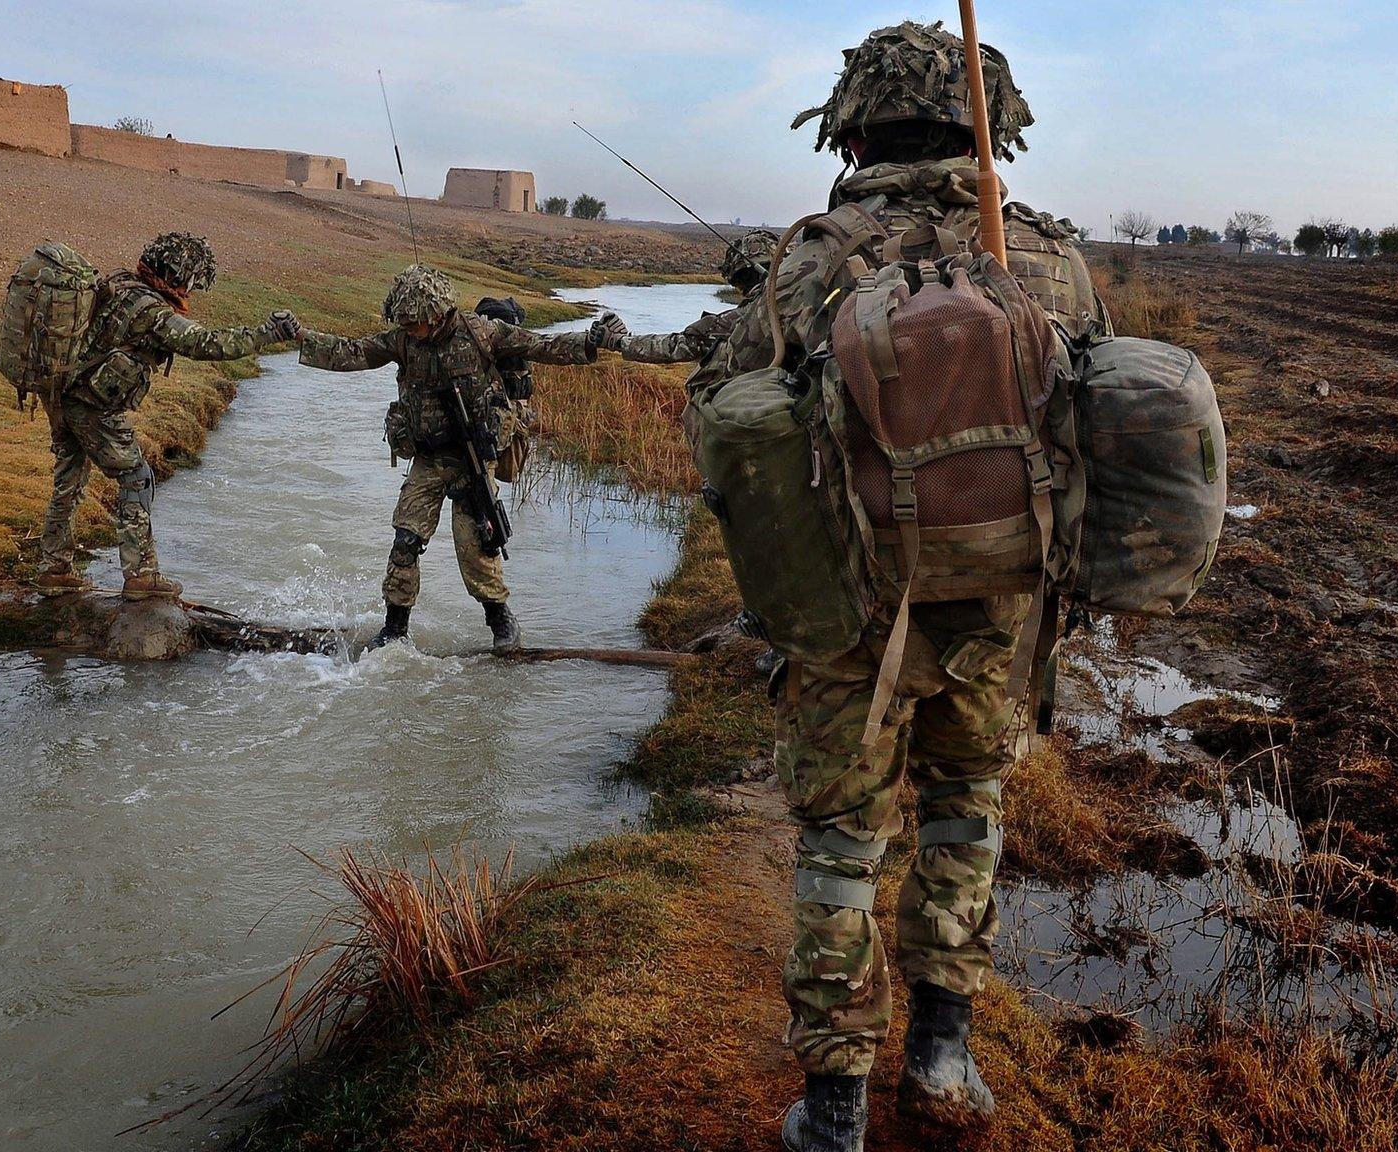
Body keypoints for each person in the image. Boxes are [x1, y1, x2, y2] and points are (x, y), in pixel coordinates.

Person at [689, 22, 1108, 1152]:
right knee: (963, 815)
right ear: (989, 124)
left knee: (838, 846)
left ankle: (831, 1114)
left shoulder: (814, 254)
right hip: (1004, 614)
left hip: (849, 619)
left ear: (855, 122)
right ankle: (942, 1058)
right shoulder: (1047, 259)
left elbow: (726, 419)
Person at [293, 265, 619, 652]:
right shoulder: (404, 342)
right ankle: (395, 629)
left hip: (472, 460)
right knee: (405, 541)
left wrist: (593, 341)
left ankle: (501, 621)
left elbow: (539, 346)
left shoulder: (482, 333)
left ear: (436, 315)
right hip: (428, 459)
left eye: (414, 322)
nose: (409, 329)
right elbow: (354, 353)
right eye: (405, 323)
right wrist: (299, 335)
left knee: (477, 547)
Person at [37, 232, 300, 600]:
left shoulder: (120, 284)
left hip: (61, 393)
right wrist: (267, 333)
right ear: (181, 276)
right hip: (91, 405)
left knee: (70, 478)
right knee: (137, 475)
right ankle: (141, 574)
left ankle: (54, 567)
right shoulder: (153, 313)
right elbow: (206, 344)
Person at [590, 229, 781, 365]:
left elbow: (675, 347)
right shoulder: (800, 301)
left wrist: (617, 341)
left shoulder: (746, 317)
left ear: (743, 277)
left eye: (738, 284)